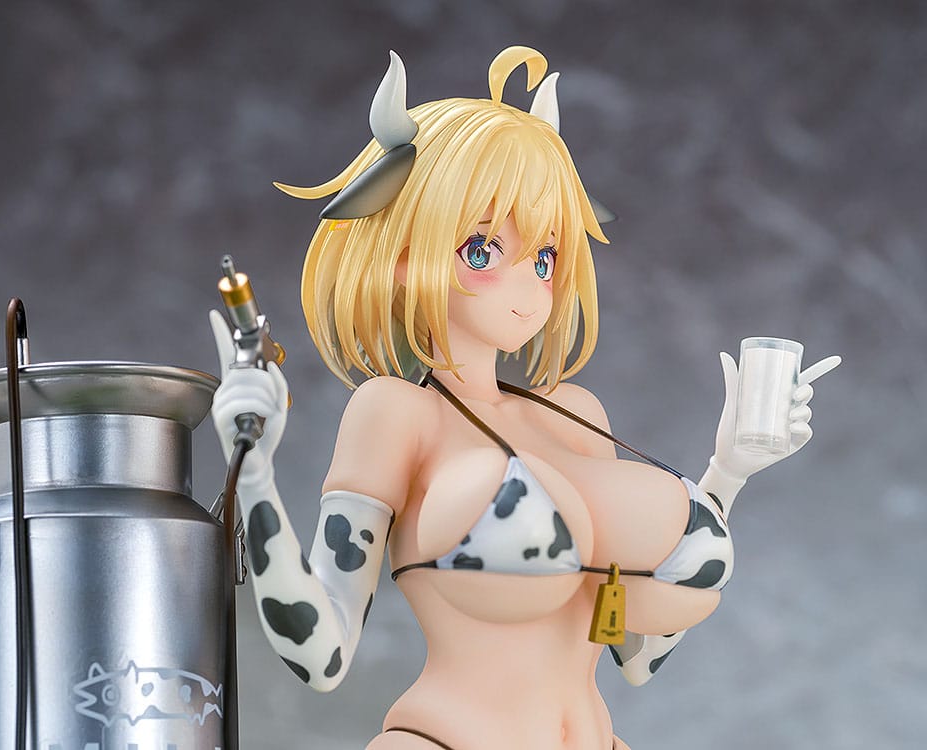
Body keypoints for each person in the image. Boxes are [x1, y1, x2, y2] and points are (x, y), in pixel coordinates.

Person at [209, 46, 839, 750]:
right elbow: (321, 654)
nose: (528, 288)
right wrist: (254, 475)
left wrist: (729, 472)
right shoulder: (398, 413)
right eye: (482, 251)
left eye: (544, 257)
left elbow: (635, 654)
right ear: (406, 255)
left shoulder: (578, 415)